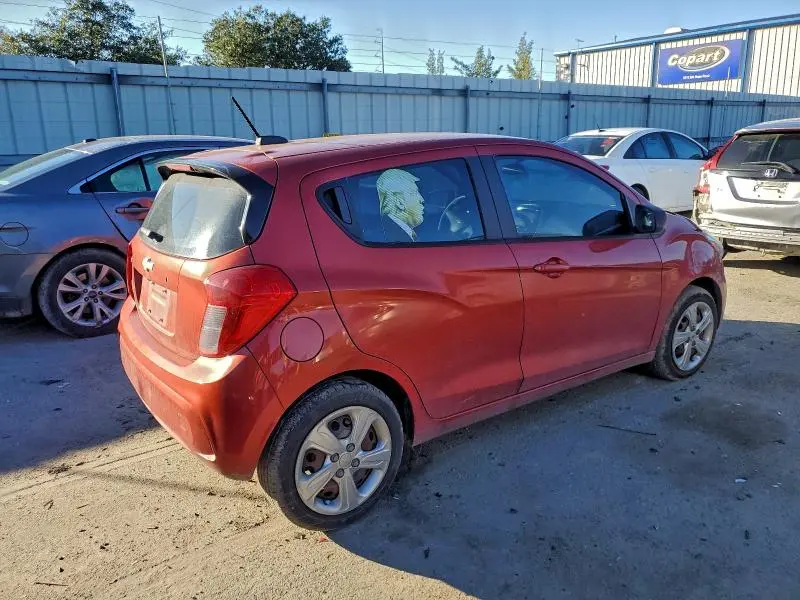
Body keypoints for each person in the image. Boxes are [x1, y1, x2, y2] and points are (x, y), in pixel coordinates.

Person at [376, 168, 425, 242]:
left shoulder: (384, 233)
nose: (422, 200)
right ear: (399, 202)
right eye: (414, 193)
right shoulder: (394, 239)